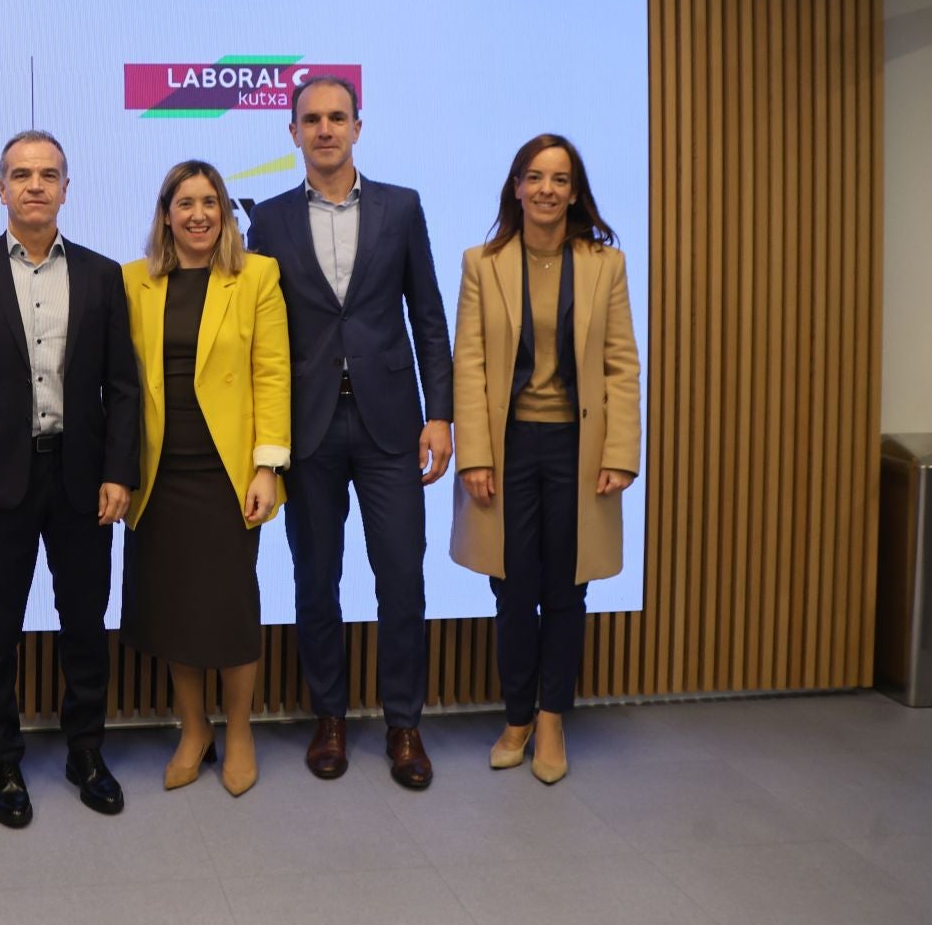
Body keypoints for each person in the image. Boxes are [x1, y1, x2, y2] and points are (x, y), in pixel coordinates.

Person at [0, 130, 141, 828]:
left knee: (85, 625)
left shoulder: (105, 275)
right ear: (0, 189)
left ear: (66, 188)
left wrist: (120, 473)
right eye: (21, 174)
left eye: (48, 174)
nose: (35, 186)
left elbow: (123, 387)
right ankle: (4, 763)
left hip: (83, 479)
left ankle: (87, 753)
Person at [246, 76, 453, 790]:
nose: (326, 129)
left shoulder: (402, 207)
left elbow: (428, 315)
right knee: (315, 580)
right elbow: (258, 333)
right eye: (313, 119)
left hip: (391, 423)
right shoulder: (268, 220)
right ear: (294, 133)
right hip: (308, 430)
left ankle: (404, 725)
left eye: (338, 117)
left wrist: (440, 413)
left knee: (401, 578)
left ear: (358, 128)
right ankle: (328, 717)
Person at [450, 133, 641, 784]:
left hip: (579, 452)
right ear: (516, 187)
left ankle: (553, 716)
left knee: (567, 589)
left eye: (560, 179)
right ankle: (516, 717)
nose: (546, 190)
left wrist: (621, 453)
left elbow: (621, 365)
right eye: (534, 177)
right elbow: (470, 366)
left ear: (575, 191)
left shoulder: (604, 266)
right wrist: (473, 455)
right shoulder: (483, 263)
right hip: (506, 452)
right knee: (511, 588)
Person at [120, 160, 290, 797]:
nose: (198, 214)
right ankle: (194, 729)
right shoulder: (132, 281)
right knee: (174, 610)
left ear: (226, 212)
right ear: (165, 213)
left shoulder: (256, 276)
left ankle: (240, 729)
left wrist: (268, 467)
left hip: (228, 474)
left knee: (229, 608)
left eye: (210, 202)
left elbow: (273, 374)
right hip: (157, 475)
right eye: (184, 203)